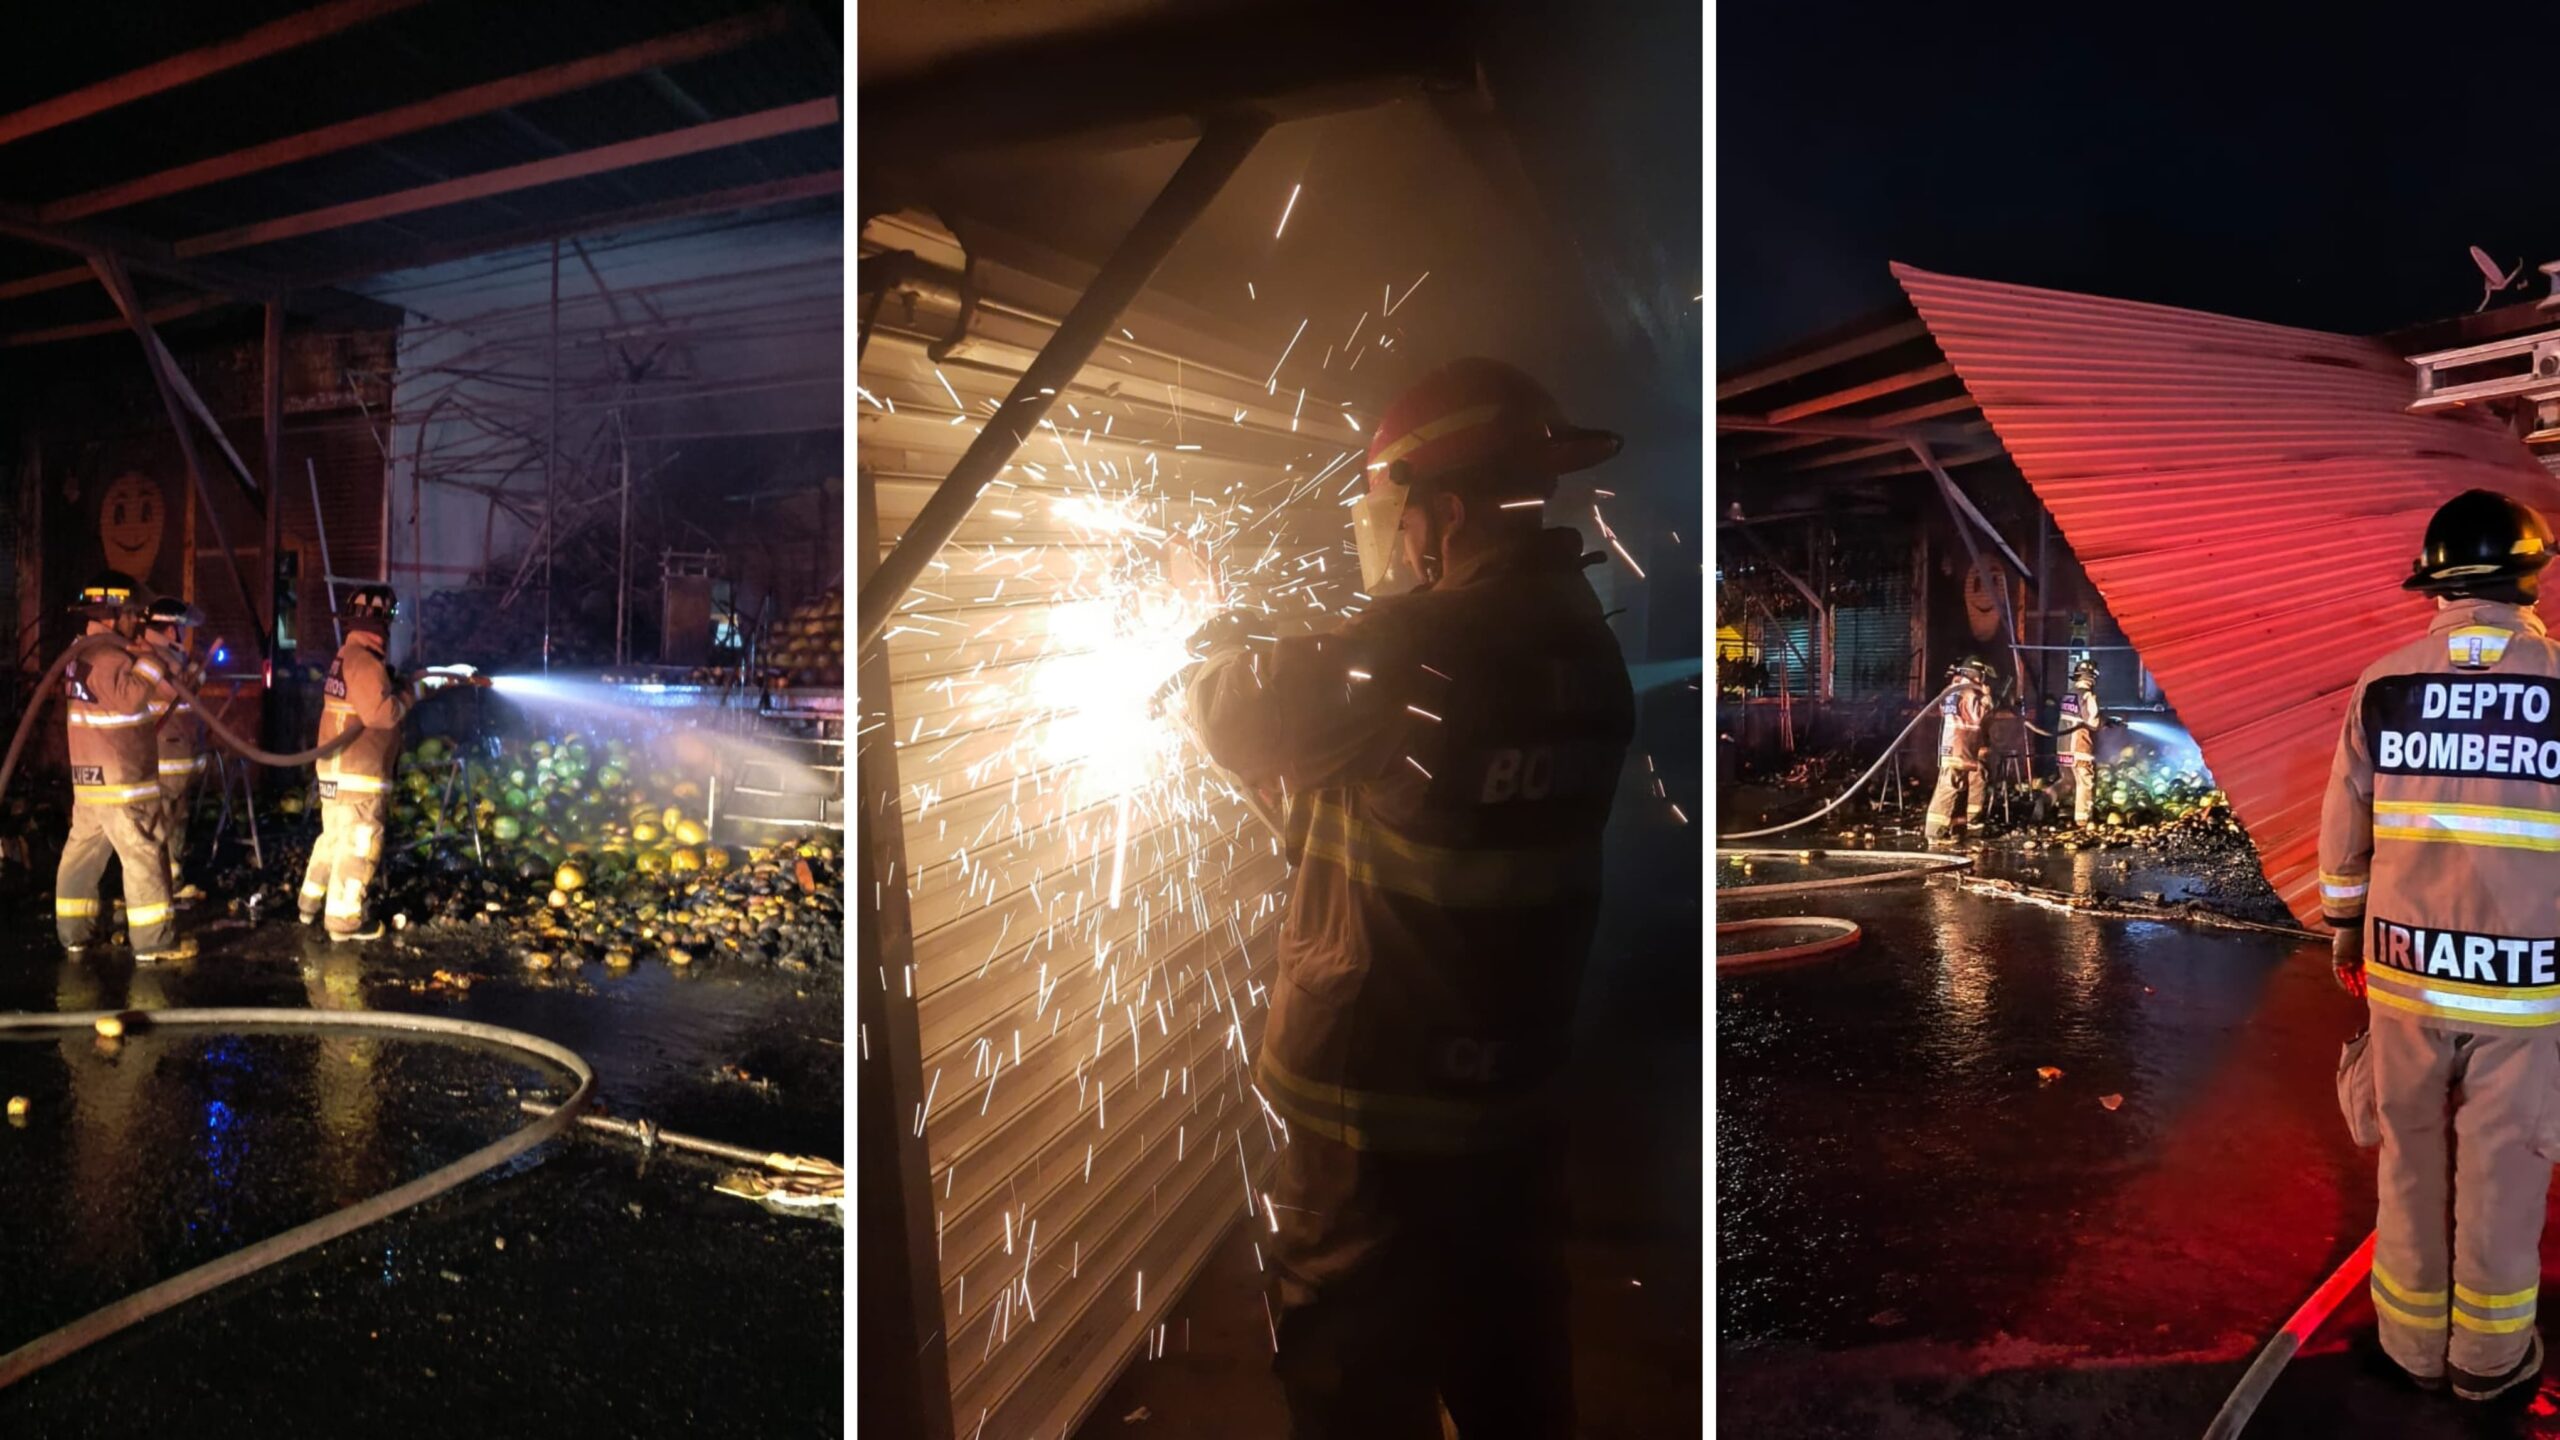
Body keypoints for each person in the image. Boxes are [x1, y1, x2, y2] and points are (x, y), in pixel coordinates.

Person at [1183, 358, 1634, 1439]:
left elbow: (1238, 712)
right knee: (1511, 1372)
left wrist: (1211, 635)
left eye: (1393, 507)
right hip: (1511, 1110)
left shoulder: (1421, 647)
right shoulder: (1583, 647)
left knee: (1352, 1383)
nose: (1386, 532)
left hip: (1372, 1119)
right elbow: (1413, 791)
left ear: (1445, 512)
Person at [2322, 487, 2560, 1402]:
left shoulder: (2384, 684)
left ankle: (2412, 1348)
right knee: (2505, 1171)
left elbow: (2345, 830)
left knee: (2409, 1157)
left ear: (2436, 585)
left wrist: (2347, 933)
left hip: (2405, 975)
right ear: (2530, 578)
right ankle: (2488, 1365)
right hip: (2525, 988)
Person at [55, 574, 192, 963]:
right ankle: (154, 942)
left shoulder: (79, 654)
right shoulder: (110, 657)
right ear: (113, 615)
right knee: (143, 854)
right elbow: (130, 697)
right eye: (132, 614)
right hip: (123, 781)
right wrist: (150, 661)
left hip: (90, 779)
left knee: (81, 857)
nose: (137, 621)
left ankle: (74, 934)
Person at [300, 585, 411, 942]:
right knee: (360, 845)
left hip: (337, 772)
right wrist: (411, 695)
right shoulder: (364, 662)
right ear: (382, 622)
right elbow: (381, 714)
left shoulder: (348, 655)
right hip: (358, 775)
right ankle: (344, 922)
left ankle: (309, 904)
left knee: (334, 839)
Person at [138, 596, 210, 903]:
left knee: (176, 819)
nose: (181, 636)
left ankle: (172, 880)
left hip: (178, 756)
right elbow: (181, 688)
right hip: (165, 757)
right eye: (179, 629)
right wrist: (196, 664)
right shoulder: (154, 657)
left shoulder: (167, 656)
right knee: (162, 822)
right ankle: (156, 888)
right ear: (170, 630)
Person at [1923, 658, 1995, 844]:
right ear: (1976, 674)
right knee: (1950, 786)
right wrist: (1986, 699)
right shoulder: (1969, 692)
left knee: (1959, 787)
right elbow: (1977, 716)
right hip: (1961, 745)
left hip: (1954, 743)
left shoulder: (1951, 690)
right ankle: (1934, 833)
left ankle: (1957, 830)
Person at [2056, 658, 2106, 828]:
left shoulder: (2068, 694)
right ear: (2092, 678)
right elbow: (2093, 722)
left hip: (2063, 748)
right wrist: (2104, 721)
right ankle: (2083, 820)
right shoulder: (2087, 695)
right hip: (2079, 748)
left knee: (2067, 782)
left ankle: (2043, 803)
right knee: (2085, 782)